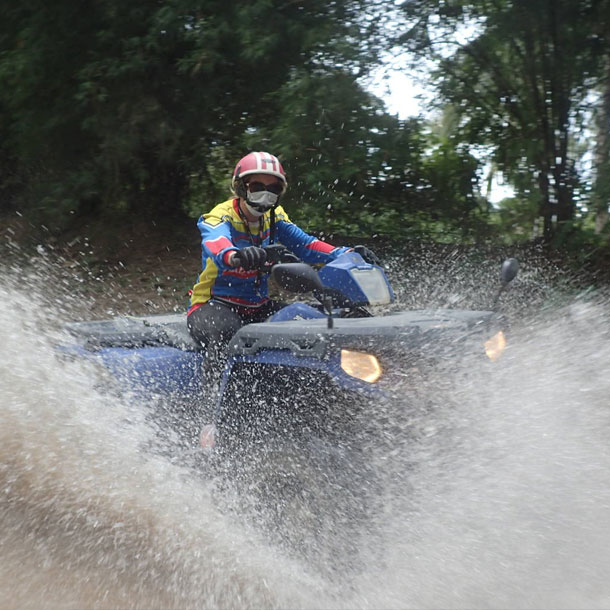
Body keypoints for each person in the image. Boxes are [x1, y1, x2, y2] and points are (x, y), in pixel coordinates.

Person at [187, 151, 380, 378]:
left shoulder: (274, 216)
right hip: (212, 305)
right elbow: (216, 242)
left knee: (310, 319)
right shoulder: (221, 215)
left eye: (274, 189)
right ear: (241, 188)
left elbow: (306, 245)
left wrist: (346, 253)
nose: (266, 194)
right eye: (258, 186)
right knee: (225, 331)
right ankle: (207, 402)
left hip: (257, 306)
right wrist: (234, 255)